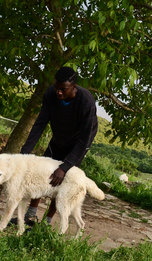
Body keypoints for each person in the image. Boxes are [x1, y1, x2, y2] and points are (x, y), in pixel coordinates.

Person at [11, 66, 99, 226]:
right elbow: (39, 125)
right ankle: (30, 217)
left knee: (62, 180)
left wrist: (65, 167)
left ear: (74, 87)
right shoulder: (51, 95)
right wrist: (23, 154)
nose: (59, 92)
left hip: (78, 142)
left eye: (63, 89)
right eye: (56, 88)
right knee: (40, 173)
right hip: (59, 137)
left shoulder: (86, 102)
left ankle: (46, 222)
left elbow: (84, 141)